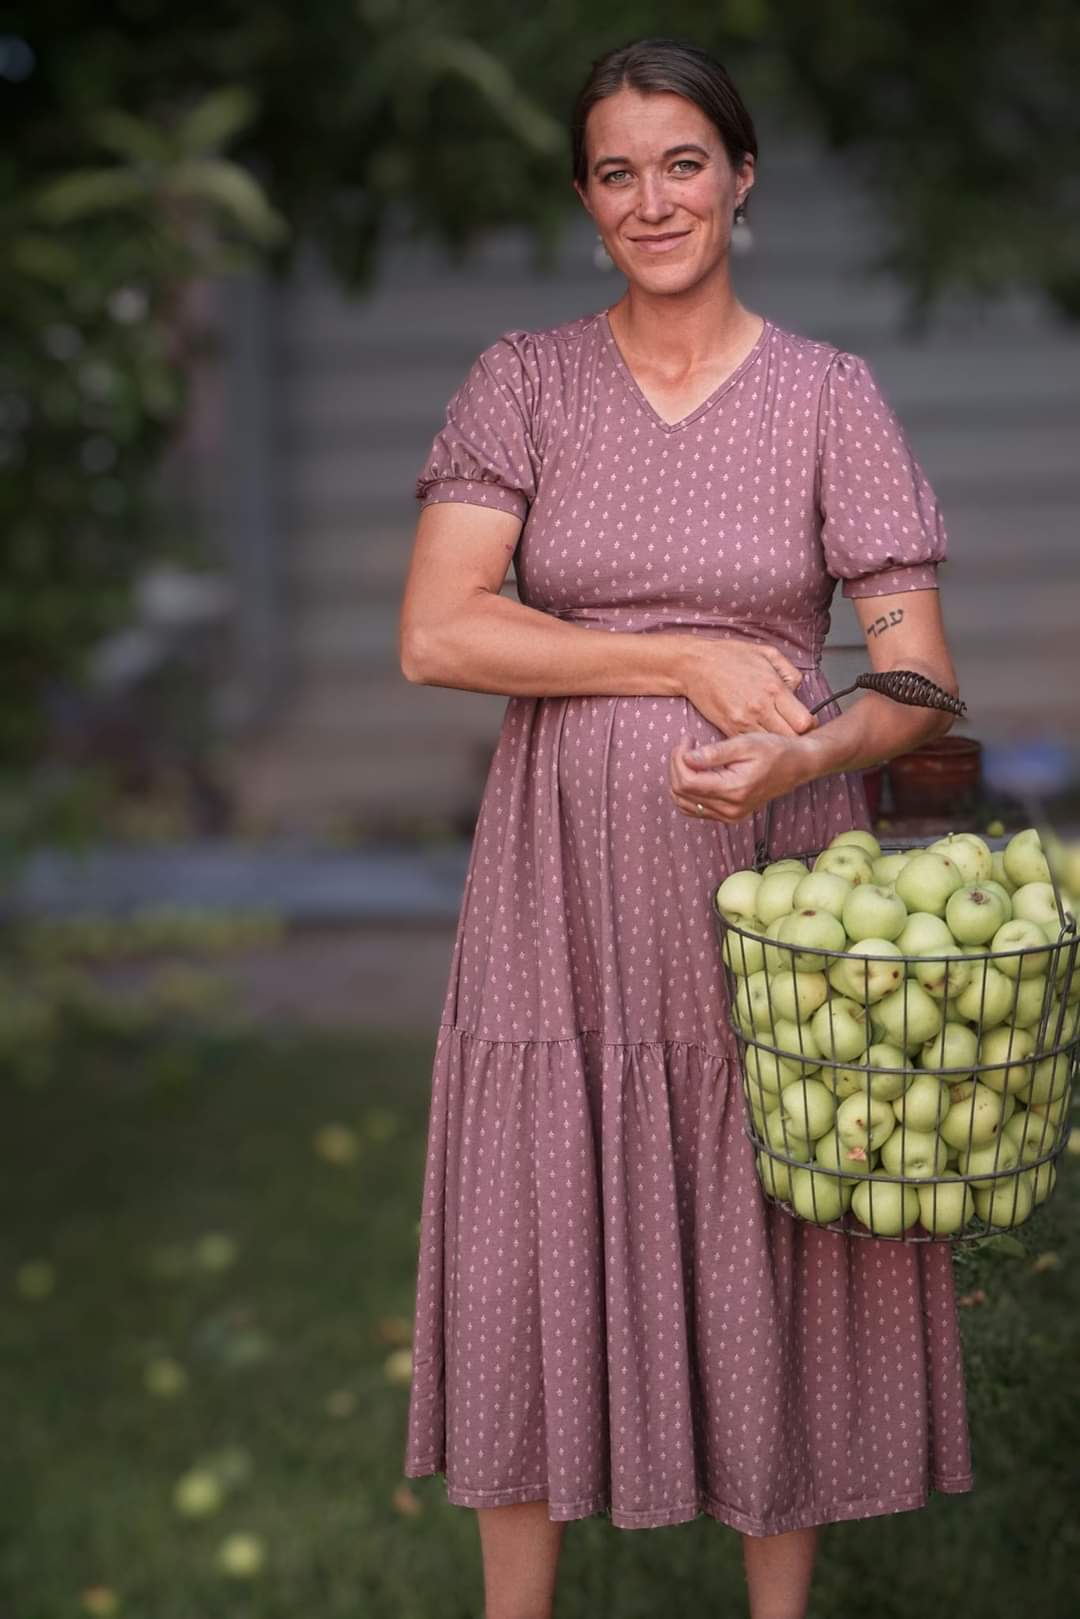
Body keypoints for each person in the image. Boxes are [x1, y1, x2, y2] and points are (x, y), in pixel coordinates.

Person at [398, 35, 973, 1619]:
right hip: (559, 897)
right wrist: (677, 657)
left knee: (779, 1207)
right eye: (615, 170)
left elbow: (918, 682)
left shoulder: (825, 397)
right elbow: (441, 632)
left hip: (772, 887)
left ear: (740, 180)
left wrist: (801, 761)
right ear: (588, 201)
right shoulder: (523, 381)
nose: (653, 198)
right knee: (535, 1221)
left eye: (682, 162)